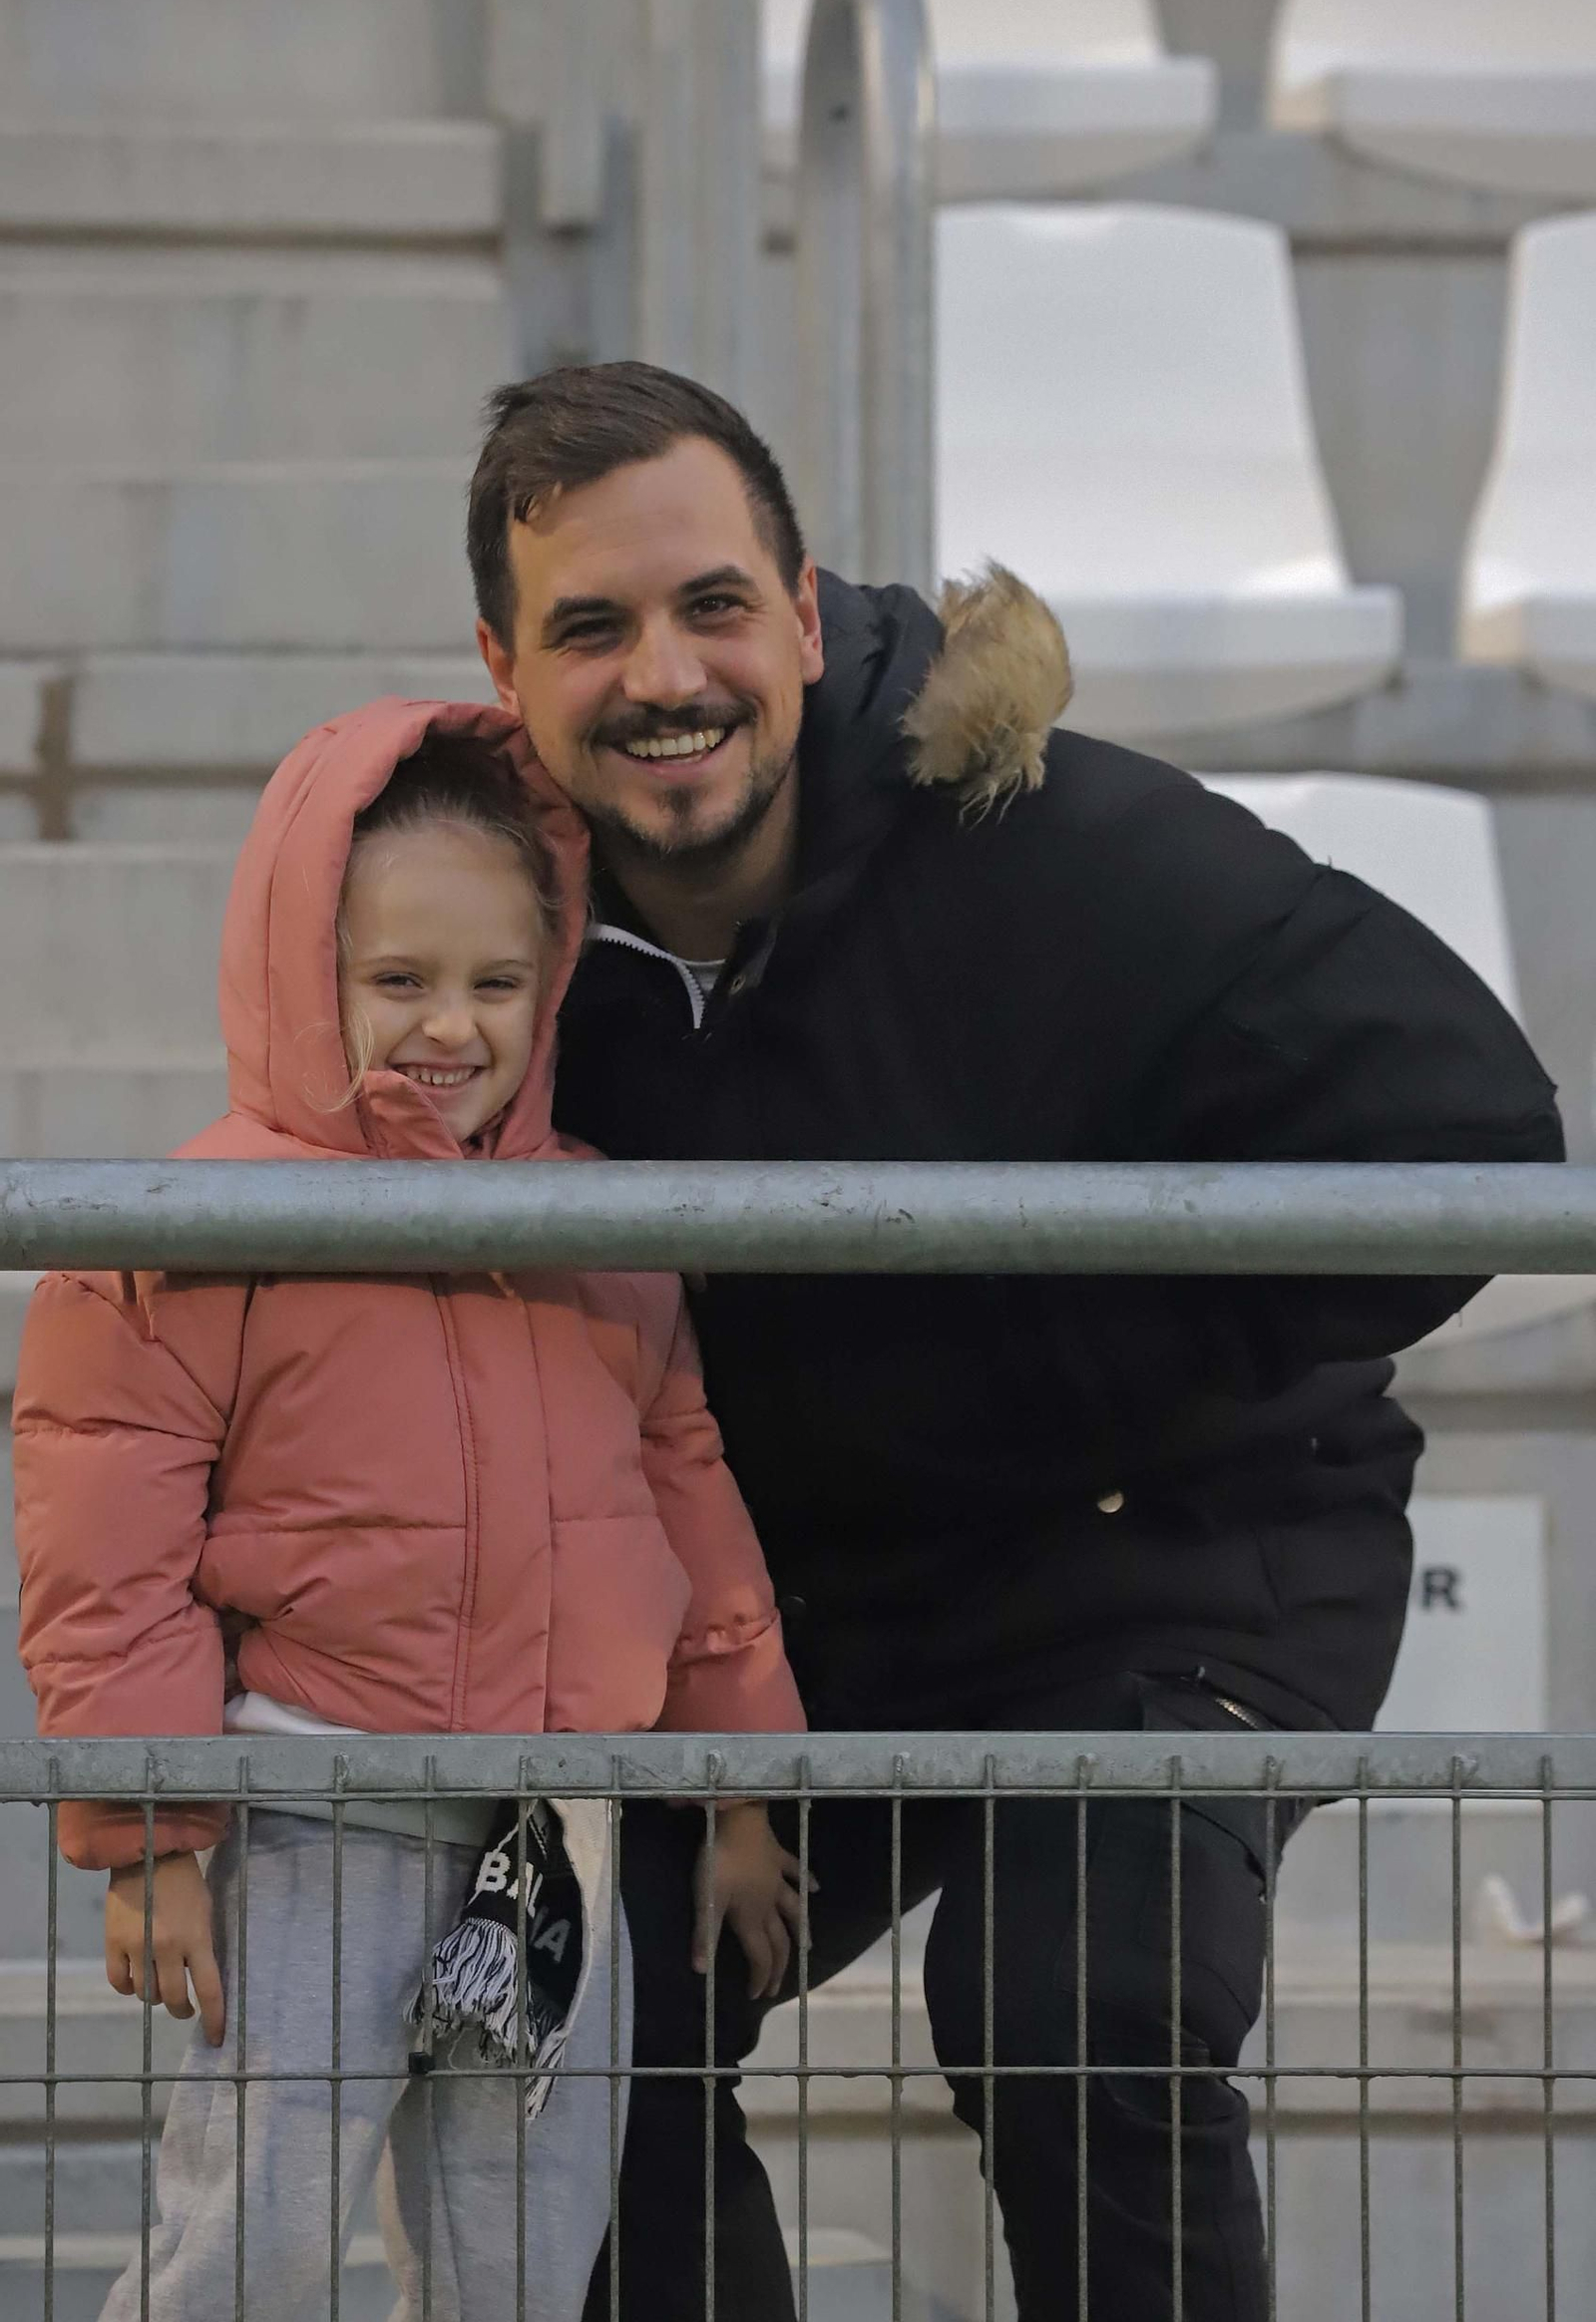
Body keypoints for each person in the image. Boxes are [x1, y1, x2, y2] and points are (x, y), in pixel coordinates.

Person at [464, 360, 1568, 2322]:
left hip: (1178, 1545)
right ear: (504, 664)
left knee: (1072, 2000)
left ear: (802, 619)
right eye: (591, 627)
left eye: (712, 604)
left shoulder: (1047, 838)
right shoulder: (494, 934)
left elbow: (1469, 1131)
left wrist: (1071, 1376)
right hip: (819, 1599)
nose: (665, 673)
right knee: (566, 1993)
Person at [11, 702, 806, 2322]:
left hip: (551, 1835)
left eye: (495, 984)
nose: (451, 1026)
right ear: (310, 976)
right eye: (399, 983)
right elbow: (109, 1551)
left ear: (551, 983)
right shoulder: (202, 1221)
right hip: (320, 1810)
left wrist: (738, 1793)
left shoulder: (602, 1224)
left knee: (523, 2246)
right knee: (258, 2233)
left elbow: (686, 1509)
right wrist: (151, 1830)